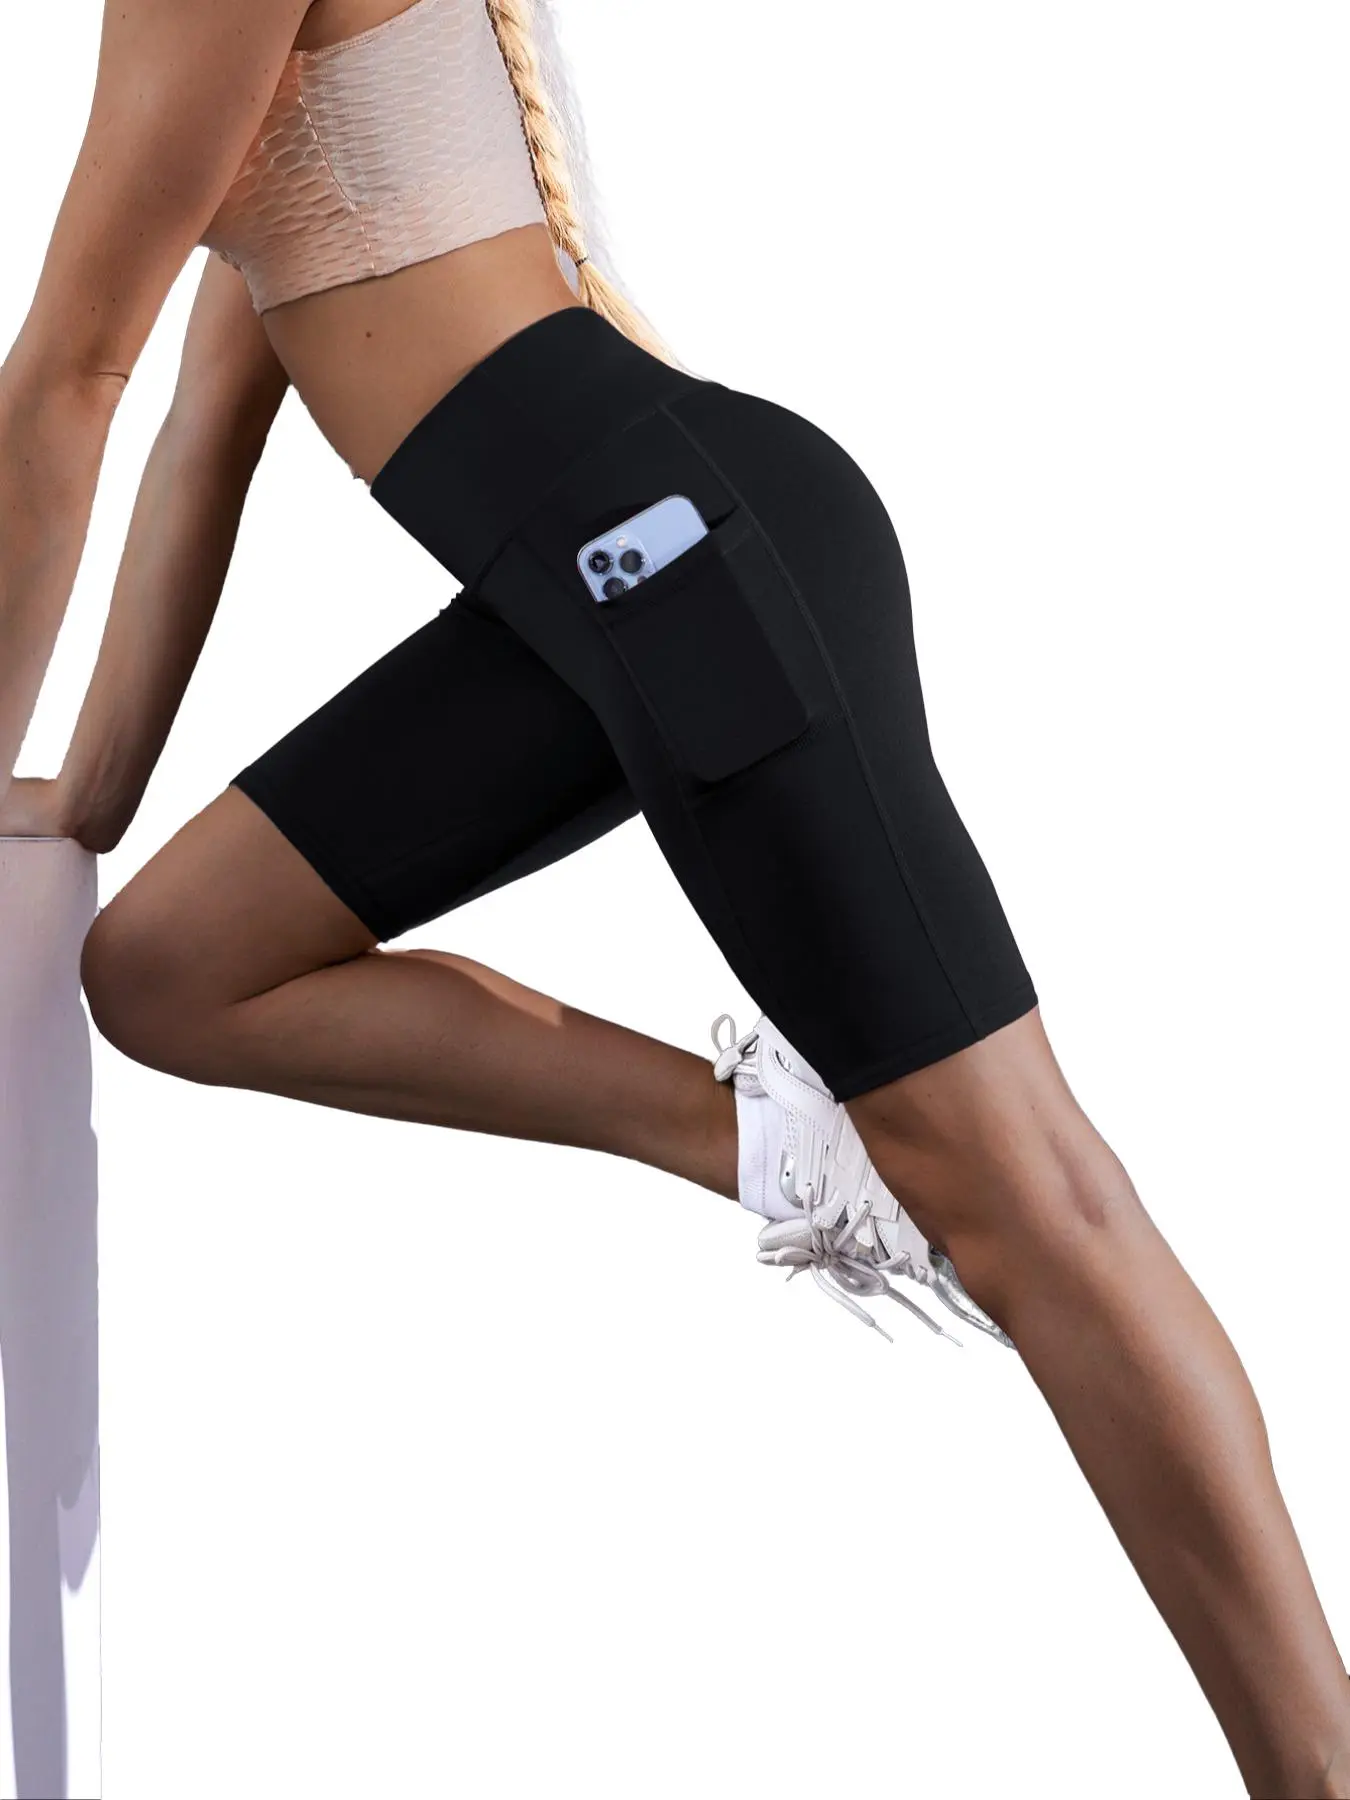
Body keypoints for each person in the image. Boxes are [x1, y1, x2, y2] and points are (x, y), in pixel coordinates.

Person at [0, 3, 1345, 1791]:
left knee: (1041, 1203)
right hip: (593, 582)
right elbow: (196, 430)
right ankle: (791, 1147)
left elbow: (67, 374)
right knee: (173, 966)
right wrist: (85, 789)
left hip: (669, 553)